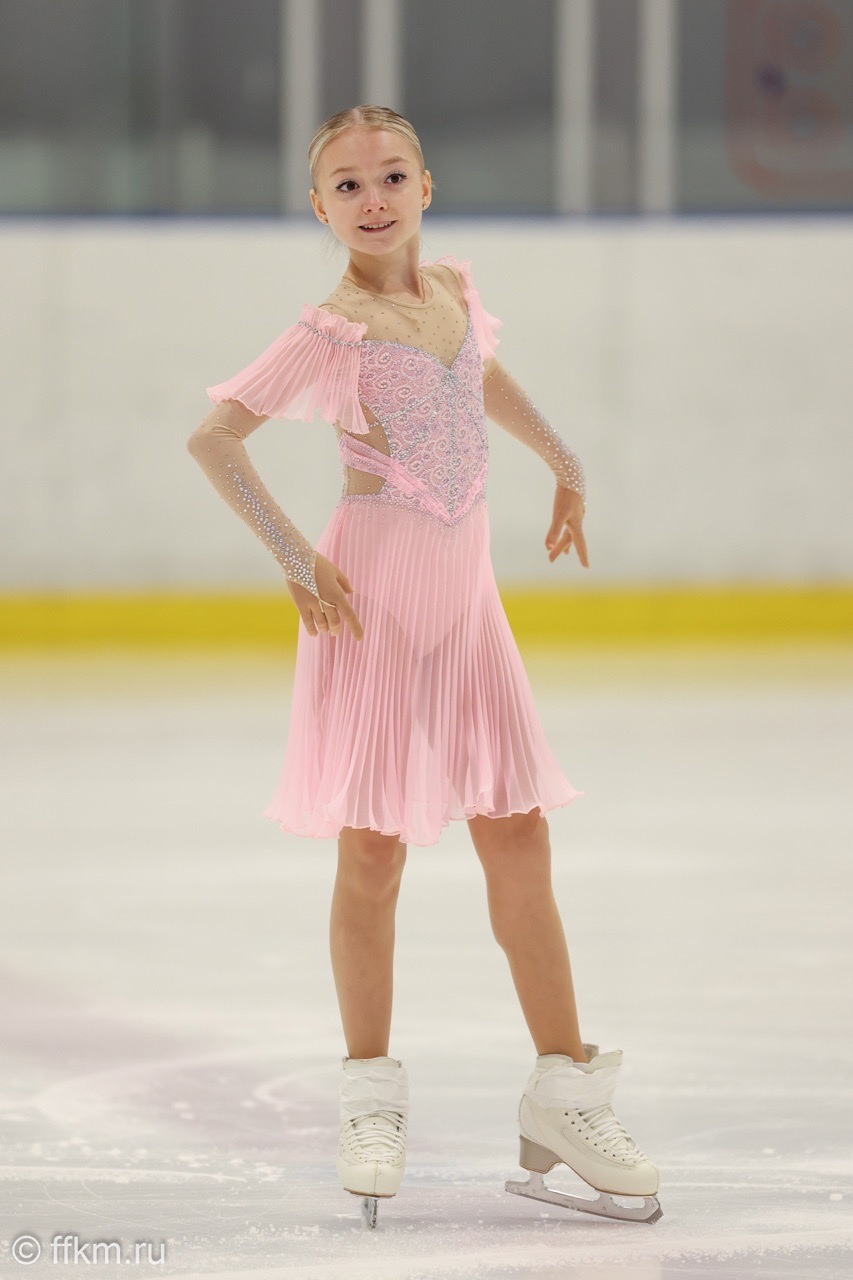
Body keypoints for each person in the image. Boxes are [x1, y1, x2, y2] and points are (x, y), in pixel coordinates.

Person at [187, 104, 661, 1229]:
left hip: (466, 598)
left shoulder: (449, 290)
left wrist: (564, 460)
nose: (373, 199)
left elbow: (475, 374)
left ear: (426, 186)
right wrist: (294, 555)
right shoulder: (333, 327)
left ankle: (564, 1091)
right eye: (347, 186)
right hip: (375, 598)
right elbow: (214, 437)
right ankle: (369, 1096)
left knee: (519, 831)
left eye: (390, 176)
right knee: (373, 848)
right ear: (319, 208)